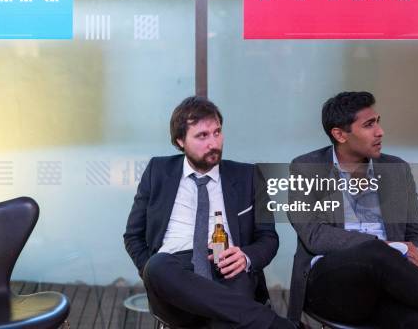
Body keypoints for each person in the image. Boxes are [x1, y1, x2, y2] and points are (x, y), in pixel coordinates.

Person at [287, 91, 418, 328]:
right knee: (375, 252)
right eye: (368, 125)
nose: (380, 131)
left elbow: (415, 233)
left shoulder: (396, 169)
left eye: (378, 121)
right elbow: (314, 235)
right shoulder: (306, 168)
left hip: (386, 284)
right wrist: (387, 247)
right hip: (331, 286)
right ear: (339, 134)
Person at [124, 96, 295, 328]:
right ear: (180, 141)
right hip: (174, 271)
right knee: (157, 265)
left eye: (217, 132)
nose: (214, 143)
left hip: (226, 267)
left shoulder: (249, 176)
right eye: (202, 136)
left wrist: (245, 257)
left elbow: (268, 238)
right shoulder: (158, 171)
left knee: (231, 303)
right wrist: (150, 274)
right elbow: (133, 236)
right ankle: (275, 324)